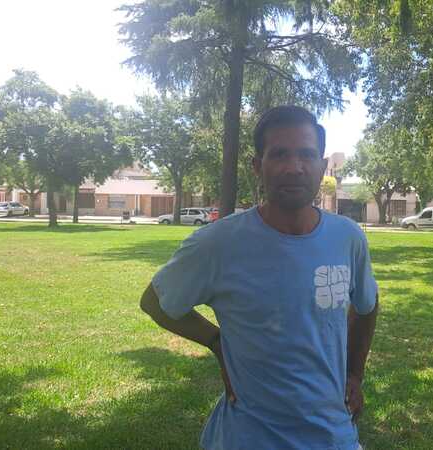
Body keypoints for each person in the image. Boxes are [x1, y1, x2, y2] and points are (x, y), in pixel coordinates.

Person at [139, 105, 379, 450]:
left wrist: (355, 373)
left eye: (307, 154)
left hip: (333, 436)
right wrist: (216, 342)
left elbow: (367, 305)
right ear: (257, 166)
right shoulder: (218, 243)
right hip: (247, 437)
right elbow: (155, 302)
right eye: (279, 154)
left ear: (322, 165)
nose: (294, 167)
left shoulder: (348, 237)